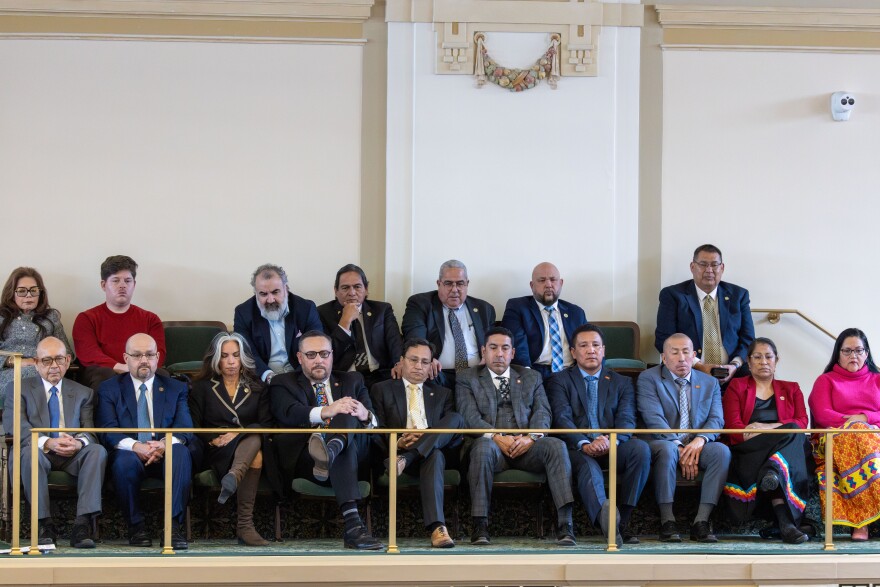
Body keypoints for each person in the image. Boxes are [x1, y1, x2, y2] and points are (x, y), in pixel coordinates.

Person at [456, 326, 576, 547]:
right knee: (482, 447)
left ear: (512, 353)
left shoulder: (531, 376)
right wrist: (496, 437)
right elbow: (469, 416)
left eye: (505, 348)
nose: (499, 354)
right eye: (493, 348)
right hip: (491, 447)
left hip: (527, 447)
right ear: (484, 351)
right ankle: (480, 524)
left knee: (556, 446)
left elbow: (543, 412)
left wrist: (531, 438)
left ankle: (565, 524)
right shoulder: (467, 378)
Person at [268, 330, 382, 550]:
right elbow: (289, 413)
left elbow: (374, 423)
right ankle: (353, 527)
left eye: (324, 354)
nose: (318, 360)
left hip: (355, 457)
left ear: (332, 355)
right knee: (343, 420)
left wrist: (364, 415)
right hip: (308, 458)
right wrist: (327, 411)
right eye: (311, 355)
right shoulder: (283, 383)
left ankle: (331, 450)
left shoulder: (353, 380)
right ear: (300, 358)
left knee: (348, 411)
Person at [545, 324, 650, 545]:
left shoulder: (622, 382)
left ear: (603, 350)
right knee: (588, 467)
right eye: (583, 346)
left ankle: (622, 520)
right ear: (573, 352)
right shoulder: (559, 380)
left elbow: (627, 420)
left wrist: (611, 441)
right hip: (576, 448)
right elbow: (562, 418)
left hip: (612, 445)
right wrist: (584, 443)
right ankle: (608, 523)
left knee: (640, 450)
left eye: (595, 345)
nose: (591, 350)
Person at [2, 336, 106, 548]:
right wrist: (48, 442)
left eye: (59, 359)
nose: (54, 366)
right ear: (36, 363)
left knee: (97, 451)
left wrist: (78, 444)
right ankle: (43, 524)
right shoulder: (18, 388)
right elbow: (17, 426)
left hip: (72, 454)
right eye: (46, 360)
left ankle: (82, 524)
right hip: (38, 451)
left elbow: (89, 431)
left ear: (67, 361)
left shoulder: (83, 393)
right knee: (30, 453)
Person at [96, 333, 193, 550]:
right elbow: (107, 430)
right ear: (126, 358)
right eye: (137, 355)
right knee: (124, 461)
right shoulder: (109, 388)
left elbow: (184, 428)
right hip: (131, 453)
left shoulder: (175, 388)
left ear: (157, 358)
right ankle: (136, 527)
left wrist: (164, 444)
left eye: (149, 355)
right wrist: (136, 446)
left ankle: (173, 527)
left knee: (180, 452)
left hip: (164, 452)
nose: (144, 360)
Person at [637, 333, 730, 543]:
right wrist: (679, 446)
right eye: (674, 352)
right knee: (669, 449)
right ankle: (667, 521)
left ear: (694, 355)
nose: (681, 358)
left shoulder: (710, 383)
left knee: (721, 451)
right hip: (662, 441)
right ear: (664, 357)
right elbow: (653, 418)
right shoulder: (649, 378)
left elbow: (716, 419)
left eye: (686, 352)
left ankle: (701, 521)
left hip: (697, 444)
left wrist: (699, 441)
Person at [370, 338, 463, 548]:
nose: (419, 366)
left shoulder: (443, 394)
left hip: (421, 459)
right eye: (413, 360)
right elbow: (375, 429)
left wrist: (424, 438)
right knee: (434, 452)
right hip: (396, 453)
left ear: (431, 366)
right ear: (401, 361)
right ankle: (438, 527)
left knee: (455, 420)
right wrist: (399, 442)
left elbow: (451, 435)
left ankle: (409, 457)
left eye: (424, 361)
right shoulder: (381, 389)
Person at [722, 337, 810, 544]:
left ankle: (774, 478)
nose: (763, 362)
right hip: (751, 449)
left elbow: (802, 422)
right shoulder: (737, 386)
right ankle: (787, 520)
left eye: (768, 357)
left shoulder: (792, 388)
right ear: (748, 361)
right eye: (757, 357)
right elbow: (734, 429)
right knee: (791, 436)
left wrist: (765, 427)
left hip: (779, 450)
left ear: (776, 360)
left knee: (793, 433)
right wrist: (778, 430)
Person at [189, 332, 272, 546]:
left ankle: (234, 477)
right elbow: (193, 425)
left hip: (246, 445)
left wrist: (238, 433)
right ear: (216, 359)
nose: (231, 361)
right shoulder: (201, 387)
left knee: (255, 442)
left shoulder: (257, 387)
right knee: (255, 452)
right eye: (225, 356)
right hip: (217, 449)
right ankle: (245, 525)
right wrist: (212, 439)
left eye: (235, 355)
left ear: (243, 358)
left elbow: (266, 424)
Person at [808, 327, 880, 542]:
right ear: (838, 353)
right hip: (835, 439)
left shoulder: (877, 379)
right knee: (856, 433)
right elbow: (822, 414)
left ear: (867, 353)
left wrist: (865, 419)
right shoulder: (825, 380)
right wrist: (856, 424)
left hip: (875, 438)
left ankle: (863, 521)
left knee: (861, 434)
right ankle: (862, 521)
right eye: (847, 351)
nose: (853, 355)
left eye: (858, 350)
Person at [654, 244, 755, 385]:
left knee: (757, 376)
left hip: (734, 372)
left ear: (722, 268)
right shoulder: (673, 295)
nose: (709, 270)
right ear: (692, 267)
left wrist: (734, 365)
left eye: (714, 265)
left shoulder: (738, 295)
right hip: (689, 371)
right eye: (703, 264)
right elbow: (664, 339)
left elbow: (748, 339)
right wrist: (698, 365)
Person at [73, 255, 166, 391]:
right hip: (103, 374)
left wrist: (135, 367)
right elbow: (88, 354)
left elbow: (159, 354)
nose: (122, 285)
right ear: (103, 285)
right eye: (115, 280)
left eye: (127, 281)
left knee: (163, 375)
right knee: (106, 375)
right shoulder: (86, 318)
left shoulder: (151, 319)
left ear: (134, 285)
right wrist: (120, 367)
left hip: (142, 371)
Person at [400, 260, 495, 389]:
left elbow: (493, 342)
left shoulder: (484, 309)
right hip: (438, 374)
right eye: (448, 283)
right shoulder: (421, 304)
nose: (454, 289)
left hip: (476, 373)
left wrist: (488, 358)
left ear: (467, 284)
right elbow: (415, 339)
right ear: (439, 283)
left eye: (460, 283)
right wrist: (428, 359)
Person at [233, 263, 322, 384]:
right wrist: (268, 376)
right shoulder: (243, 313)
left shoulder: (306, 309)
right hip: (263, 378)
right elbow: (247, 353)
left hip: (301, 376)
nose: (270, 300)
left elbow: (316, 347)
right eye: (263, 294)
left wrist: (296, 379)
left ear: (286, 289)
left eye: (275, 292)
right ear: (256, 293)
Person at [317, 264, 403, 388]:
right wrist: (345, 322)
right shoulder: (322, 313)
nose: (352, 293)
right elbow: (326, 354)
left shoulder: (382, 310)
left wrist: (399, 363)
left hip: (380, 376)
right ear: (336, 291)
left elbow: (395, 341)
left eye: (357, 287)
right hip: (343, 378)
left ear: (366, 289)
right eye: (345, 287)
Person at [501, 262, 587, 380]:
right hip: (536, 372)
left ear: (561, 283)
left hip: (572, 372)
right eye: (542, 280)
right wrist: (527, 377)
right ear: (532, 285)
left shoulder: (576, 313)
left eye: (553, 279)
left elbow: (590, 344)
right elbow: (518, 345)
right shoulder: (518, 307)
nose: (548, 285)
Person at [0, 267, 71, 405]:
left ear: (40, 293)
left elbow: (67, 352)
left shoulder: (51, 317)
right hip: (8, 373)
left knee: (44, 378)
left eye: (34, 290)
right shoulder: (1, 317)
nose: (28, 295)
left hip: (45, 370)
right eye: (22, 291)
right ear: (11, 293)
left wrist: (45, 361)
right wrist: (15, 361)